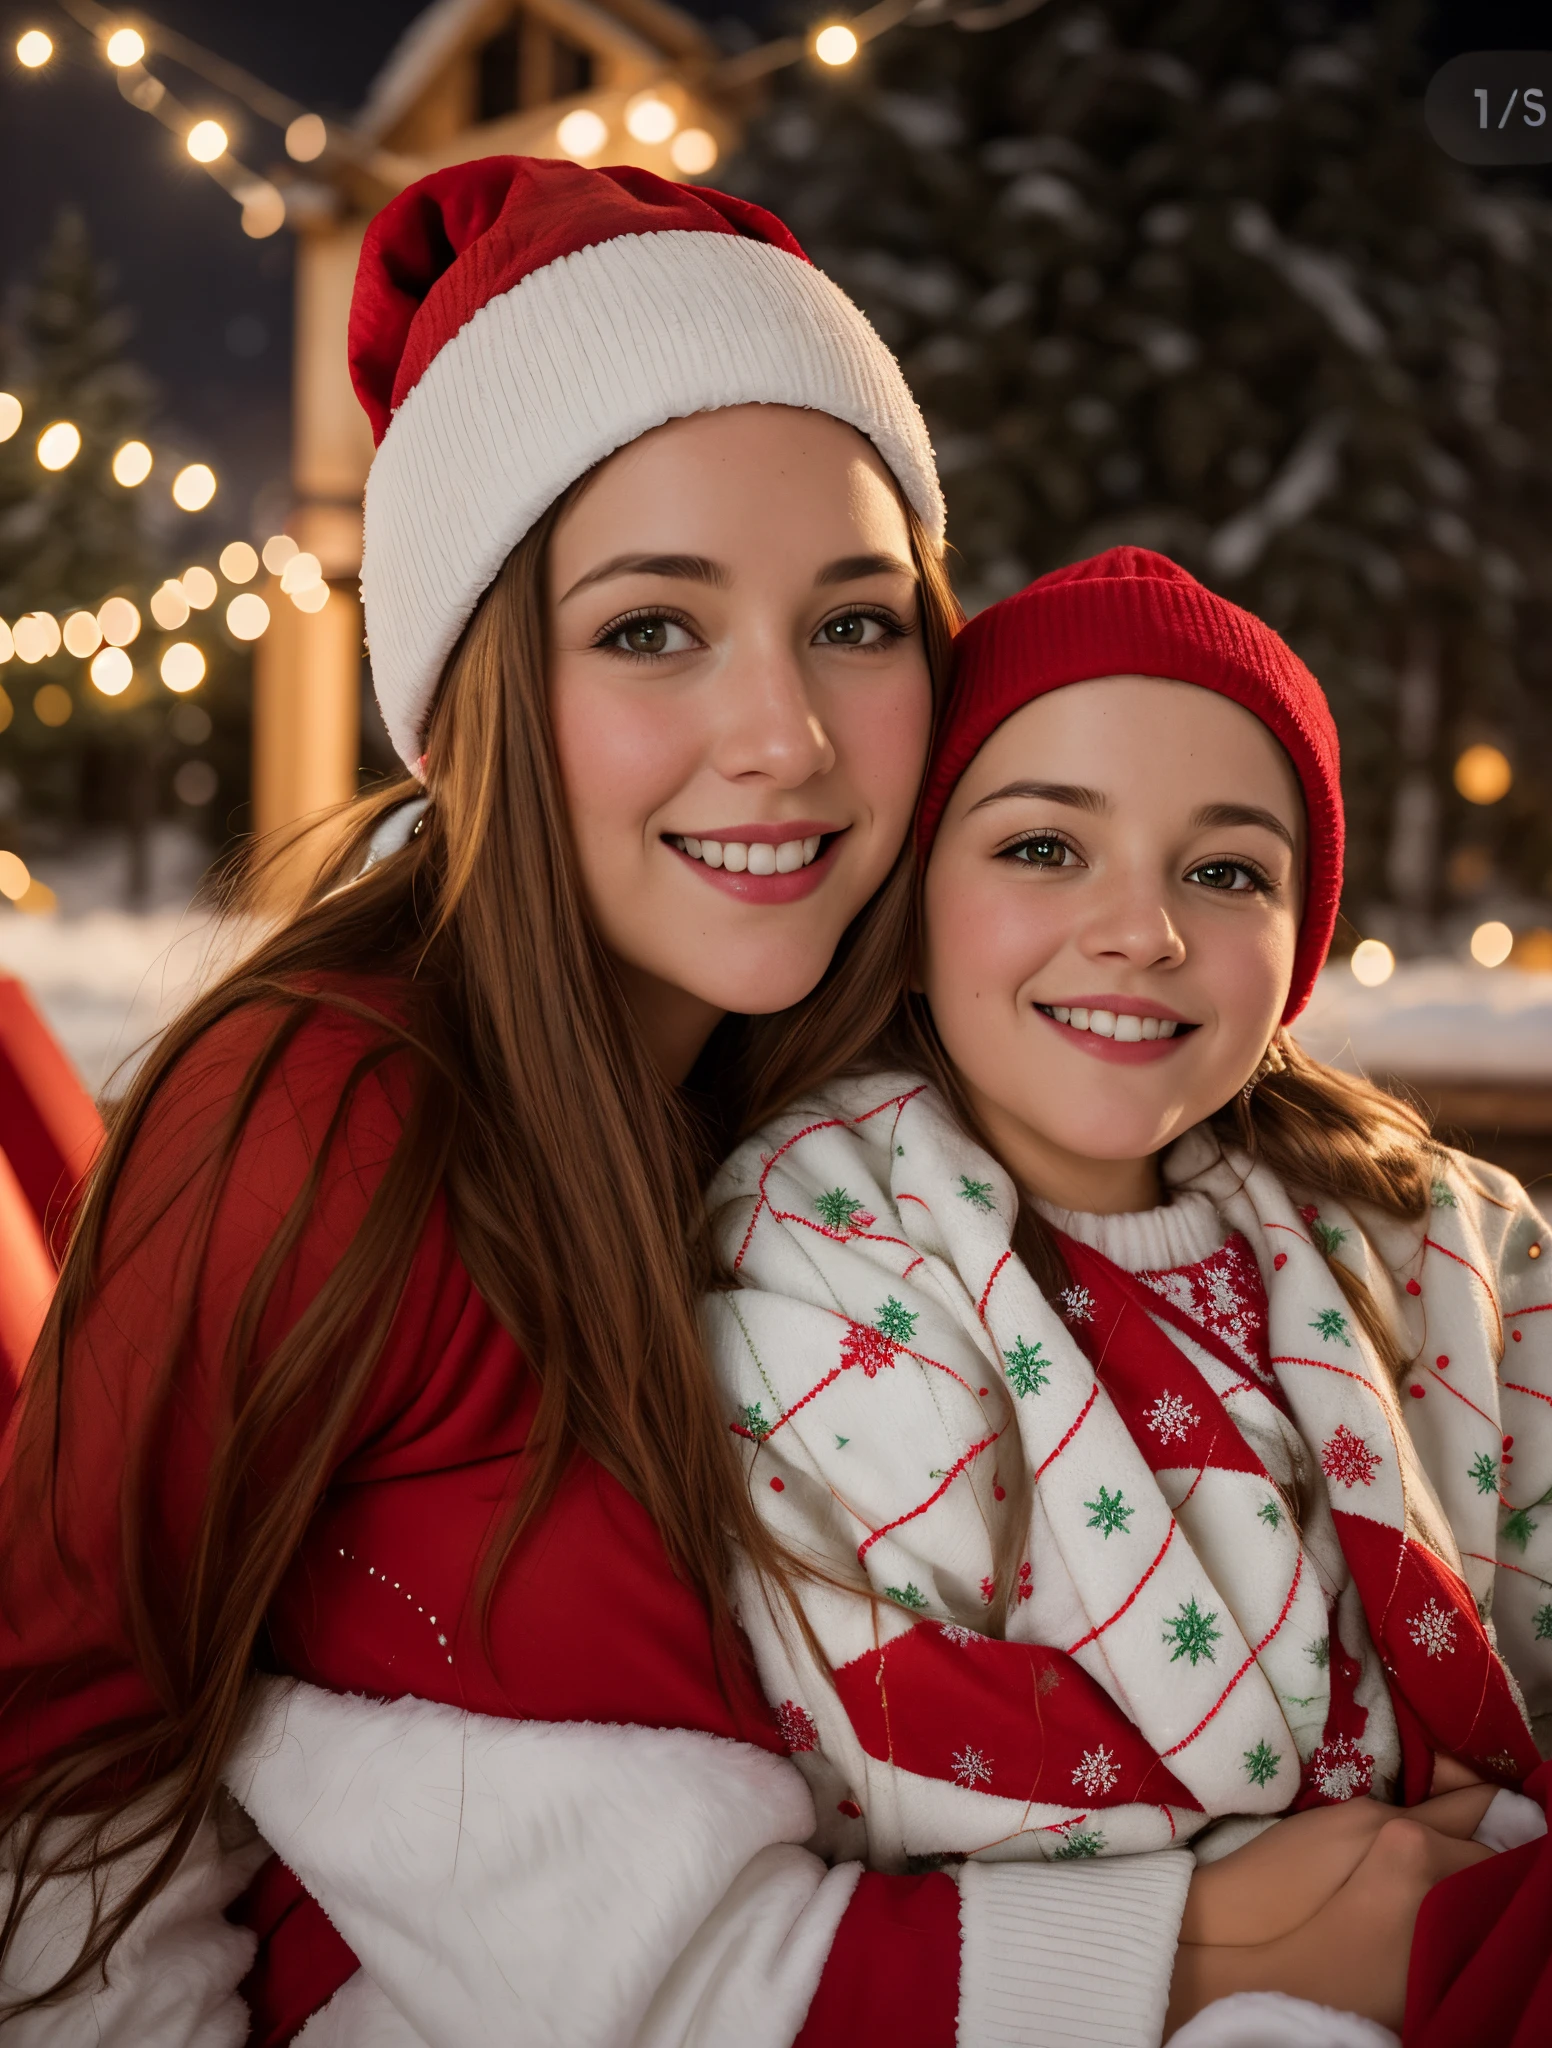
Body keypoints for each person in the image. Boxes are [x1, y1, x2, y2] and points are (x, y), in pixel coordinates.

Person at [0, 156, 997, 2044]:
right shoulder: (323, 1118)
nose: (784, 733)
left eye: (857, 620)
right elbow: (58, 1773)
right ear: (472, 705)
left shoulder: (919, 1114)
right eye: (651, 628)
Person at [707, 548, 1552, 2046]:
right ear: (913, 892)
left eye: (1226, 872)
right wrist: (1307, 1894)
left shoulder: (1439, 1238)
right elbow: (874, 1736)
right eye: (1043, 849)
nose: (1142, 930)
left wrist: (1525, 1870)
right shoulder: (820, 1255)